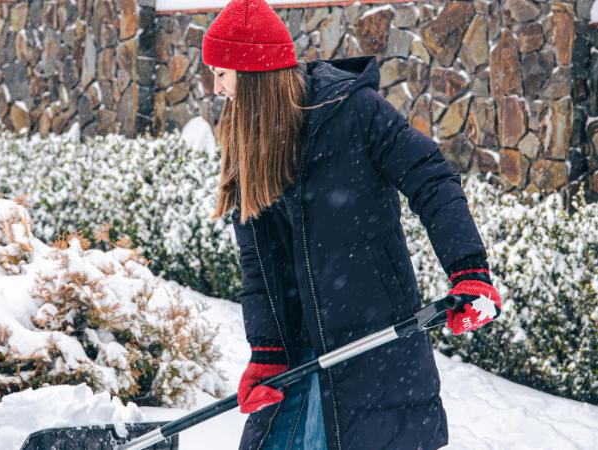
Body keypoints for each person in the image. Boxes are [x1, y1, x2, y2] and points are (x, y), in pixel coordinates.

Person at [202, 1, 502, 449]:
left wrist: (469, 271)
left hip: (373, 348)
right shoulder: (250, 142)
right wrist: (266, 352)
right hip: (300, 360)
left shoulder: (356, 112)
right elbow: (259, 266)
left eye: (222, 74)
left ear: (252, 74)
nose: (216, 88)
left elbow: (431, 177)